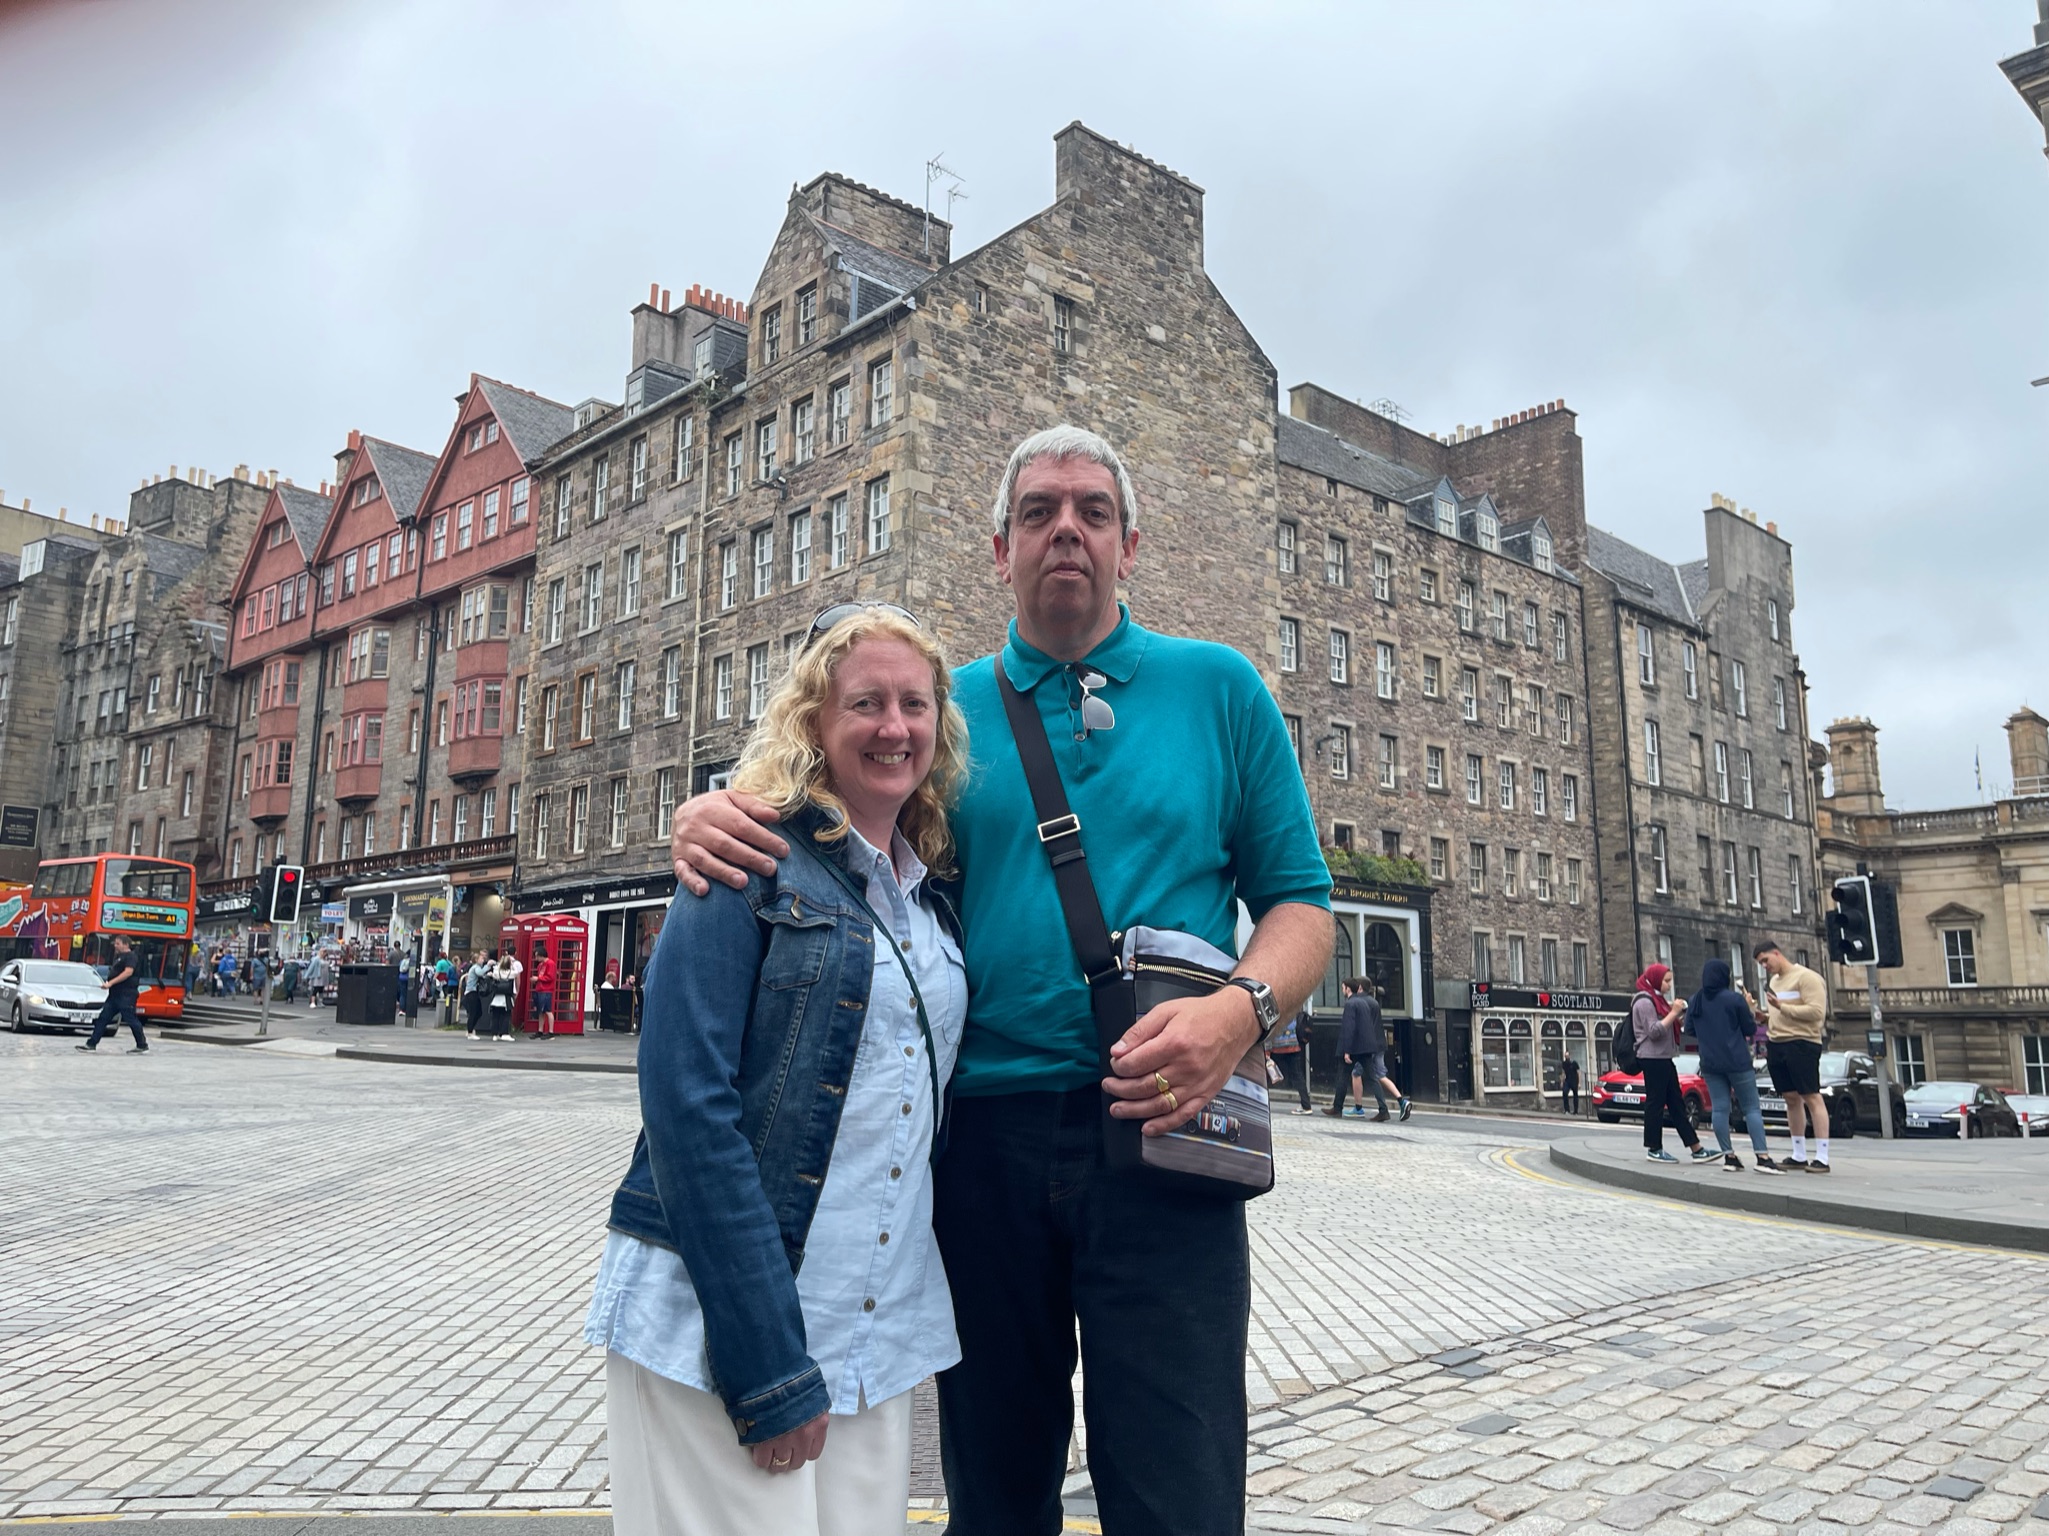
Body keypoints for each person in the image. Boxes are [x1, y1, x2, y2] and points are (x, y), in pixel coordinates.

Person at [670, 425, 1334, 1533]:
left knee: (1180, 1492)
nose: (1066, 529)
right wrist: (706, 814)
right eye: (1038, 512)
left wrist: (1240, 1014)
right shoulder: (942, 712)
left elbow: (1302, 905)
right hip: (981, 1144)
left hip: (1169, 1130)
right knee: (992, 1493)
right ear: (999, 551)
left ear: (1130, 546)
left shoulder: (1221, 689)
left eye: (1092, 512)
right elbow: (822, 814)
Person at [586, 606, 971, 1535]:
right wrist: (763, 1358)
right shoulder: (744, 861)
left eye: (914, 704)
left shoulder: (931, 893)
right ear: (813, 721)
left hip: (871, 1329)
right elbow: (687, 1110)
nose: (893, 727)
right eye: (865, 703)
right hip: (724, 1326)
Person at [1689, 958, 1781, 1174]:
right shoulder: (1733, 999)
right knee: (1751, 1107)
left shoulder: (1696, 1000)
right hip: (1737, 1060)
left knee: (1720, 1108)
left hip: (1710, 1062)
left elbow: (1690, 1029)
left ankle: (1729, 1156)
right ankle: (1762, 1157)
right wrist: (1749, 1008)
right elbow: (1750, 1028)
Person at [1754, 941, 1830, 1172]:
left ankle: (1822, 1157)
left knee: (1811, 1095)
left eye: (1766, 960)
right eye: (1760, 963)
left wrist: (1781, 1006)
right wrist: (1766, 1017)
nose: (1764, 966)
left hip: (1802, 1042)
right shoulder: (1774, 982)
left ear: (1777, 953)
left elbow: (1817, 1012)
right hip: (1777, 1043)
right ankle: (1799, 1154)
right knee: (1790, 1098)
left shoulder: (1807, 978)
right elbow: (1781, 1013)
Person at [1632, 963, 1714, 1164]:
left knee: (1677, 1103)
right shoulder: (1644, 1001)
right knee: (1655, 1103)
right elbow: (1654, 1031)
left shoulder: (1657, 999)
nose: (1669, 985)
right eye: (1666, 981)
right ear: (1655, 979)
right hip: (1652, 1058)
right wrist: (1673, 1012)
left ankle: (1696, 1148)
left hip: (1664, 1058)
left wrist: (1678, 1016)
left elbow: (1666, 1026)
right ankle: (1654, 1148)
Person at [78, 936, 147, 1053]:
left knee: (131, 1019)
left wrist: (111, 983)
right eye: (115, 943)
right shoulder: (118, 957)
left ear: (126, 944)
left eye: (118, 944)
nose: (115, 946)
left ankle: (142, 1045)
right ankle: (91, 1044)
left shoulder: (131, 957)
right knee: (103, 1018)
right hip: (114, 995)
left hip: (126, 995)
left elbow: (128, 972)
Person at [1268, 1002, 1313, 1114]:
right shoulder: (1293, 1006)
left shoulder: (1274, 1007)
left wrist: (1267, 1050)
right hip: (1293, 1044)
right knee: (1298, 1076)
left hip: (1277, 1046)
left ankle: (1261, 1102)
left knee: (1267, 1074)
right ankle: (1306, 1105)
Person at [484, 948, 520, 1039]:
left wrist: (499, 964)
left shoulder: (497, 973)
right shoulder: (511, 973)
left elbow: (492, 973)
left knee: (495, 1016)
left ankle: (494, 1034)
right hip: (506, 997)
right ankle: (504, 1033)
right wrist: (512, 964)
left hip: (496, 996)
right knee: (506, 1016)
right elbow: (517, 972)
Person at [462, 953, 490, 1038]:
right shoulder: (475, 967)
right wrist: (488, 965)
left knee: (478, 1012)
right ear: (476, 960)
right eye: (481, 959)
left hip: (474, 992)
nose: (483, 960)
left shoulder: (476, 967)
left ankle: (470, 1029)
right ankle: (470, 1032)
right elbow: (480, 973)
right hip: (471, 992)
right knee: (473, 1013)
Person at [531, 949, 557, 1035]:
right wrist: (536, 980)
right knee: (540, 1011)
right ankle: (540, 1030)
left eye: (537, 956)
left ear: (542, 955)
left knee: (548, 1011)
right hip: (539, 989)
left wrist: (538, 978)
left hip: (546, 990)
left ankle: (551, 1031)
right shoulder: (540, 965)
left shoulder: (550, 964)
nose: (536, 958)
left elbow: (550, 977)